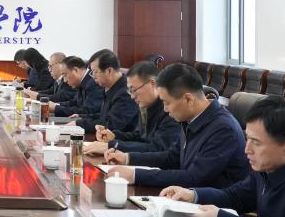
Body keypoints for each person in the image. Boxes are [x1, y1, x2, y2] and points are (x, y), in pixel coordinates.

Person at [104, 63, 250, 189]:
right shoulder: (190, 118)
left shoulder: (222, 129)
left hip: (211, 205)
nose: (165, 109)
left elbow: (194, 178)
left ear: (188, 99)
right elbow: (171, 157)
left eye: (167, 102)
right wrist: (127, 158)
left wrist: (136, 175)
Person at [86, 60, 183, 155]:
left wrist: (114, 145)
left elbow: (157, 148)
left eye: (134, 90)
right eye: (129, 91)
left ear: (152, 83)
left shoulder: (170, 110)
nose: (132, 97)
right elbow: (140, 136)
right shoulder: (147, 104)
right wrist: (114, 135)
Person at [80, 49, 139, 134]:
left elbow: (111, 124)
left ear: (109, 71)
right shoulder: (111, 87)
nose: (93, 76)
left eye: (95, 71)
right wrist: (80, 117)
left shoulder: (126, 92)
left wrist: (80, 124)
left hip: (122, 140)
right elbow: (104, 116)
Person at [49, 56, 104, 120]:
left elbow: (87, 111)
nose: (65, 81)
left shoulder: (94, 83)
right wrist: (56, 104)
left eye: (65, 75)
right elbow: (74, 102)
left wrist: (56, 108)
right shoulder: (83, 82)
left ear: (76, 70)